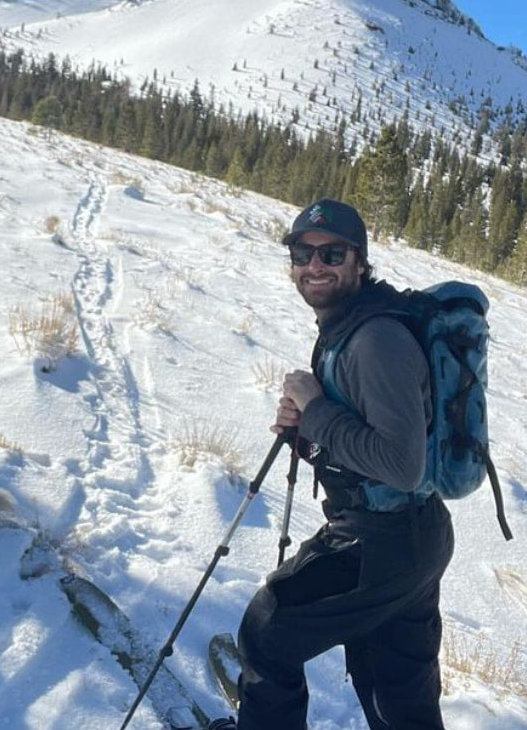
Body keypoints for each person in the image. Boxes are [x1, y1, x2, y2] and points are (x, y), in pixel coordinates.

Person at [208, 198, 454, 730]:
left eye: (332, 253)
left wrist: (316, 412)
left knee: (266, 631)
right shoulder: (353, 324)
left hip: (379, 542)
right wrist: (307, 435)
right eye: (303, 252)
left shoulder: (376, 339)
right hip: (414, 538)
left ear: (359, 262)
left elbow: (401, 463)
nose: (315, 265)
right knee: (397, 694)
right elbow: (371, 442)